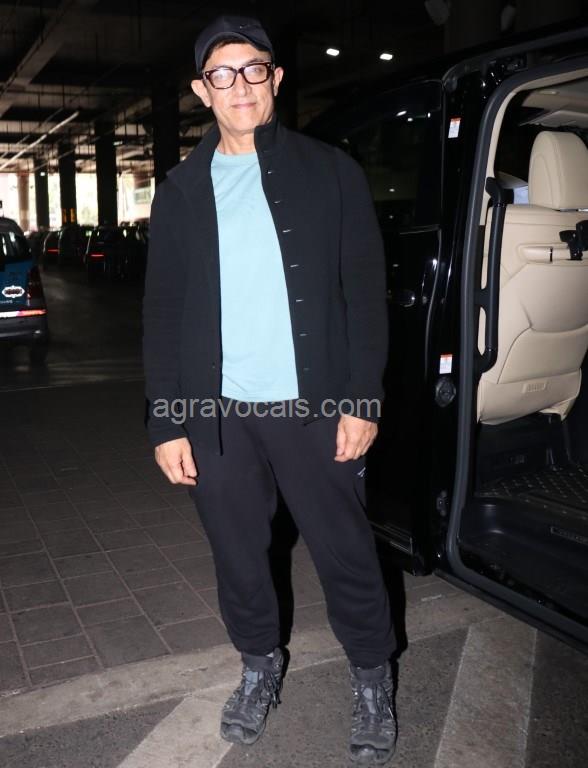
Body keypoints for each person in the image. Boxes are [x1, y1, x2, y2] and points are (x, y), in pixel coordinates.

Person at [142, 14, 397, 765]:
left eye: (254, 69)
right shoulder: (181, 191)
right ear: (202, 91)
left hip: (315, 407)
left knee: (345, 548)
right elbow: (162, 311)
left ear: (276, 78)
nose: (240, 86)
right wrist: (167, 421)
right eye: (221, 75)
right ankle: (259, 666)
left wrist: (362, 399)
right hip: (215, 415)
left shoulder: (331, 172)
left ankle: (372, 677)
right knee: (237, 555)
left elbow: (364, 294)